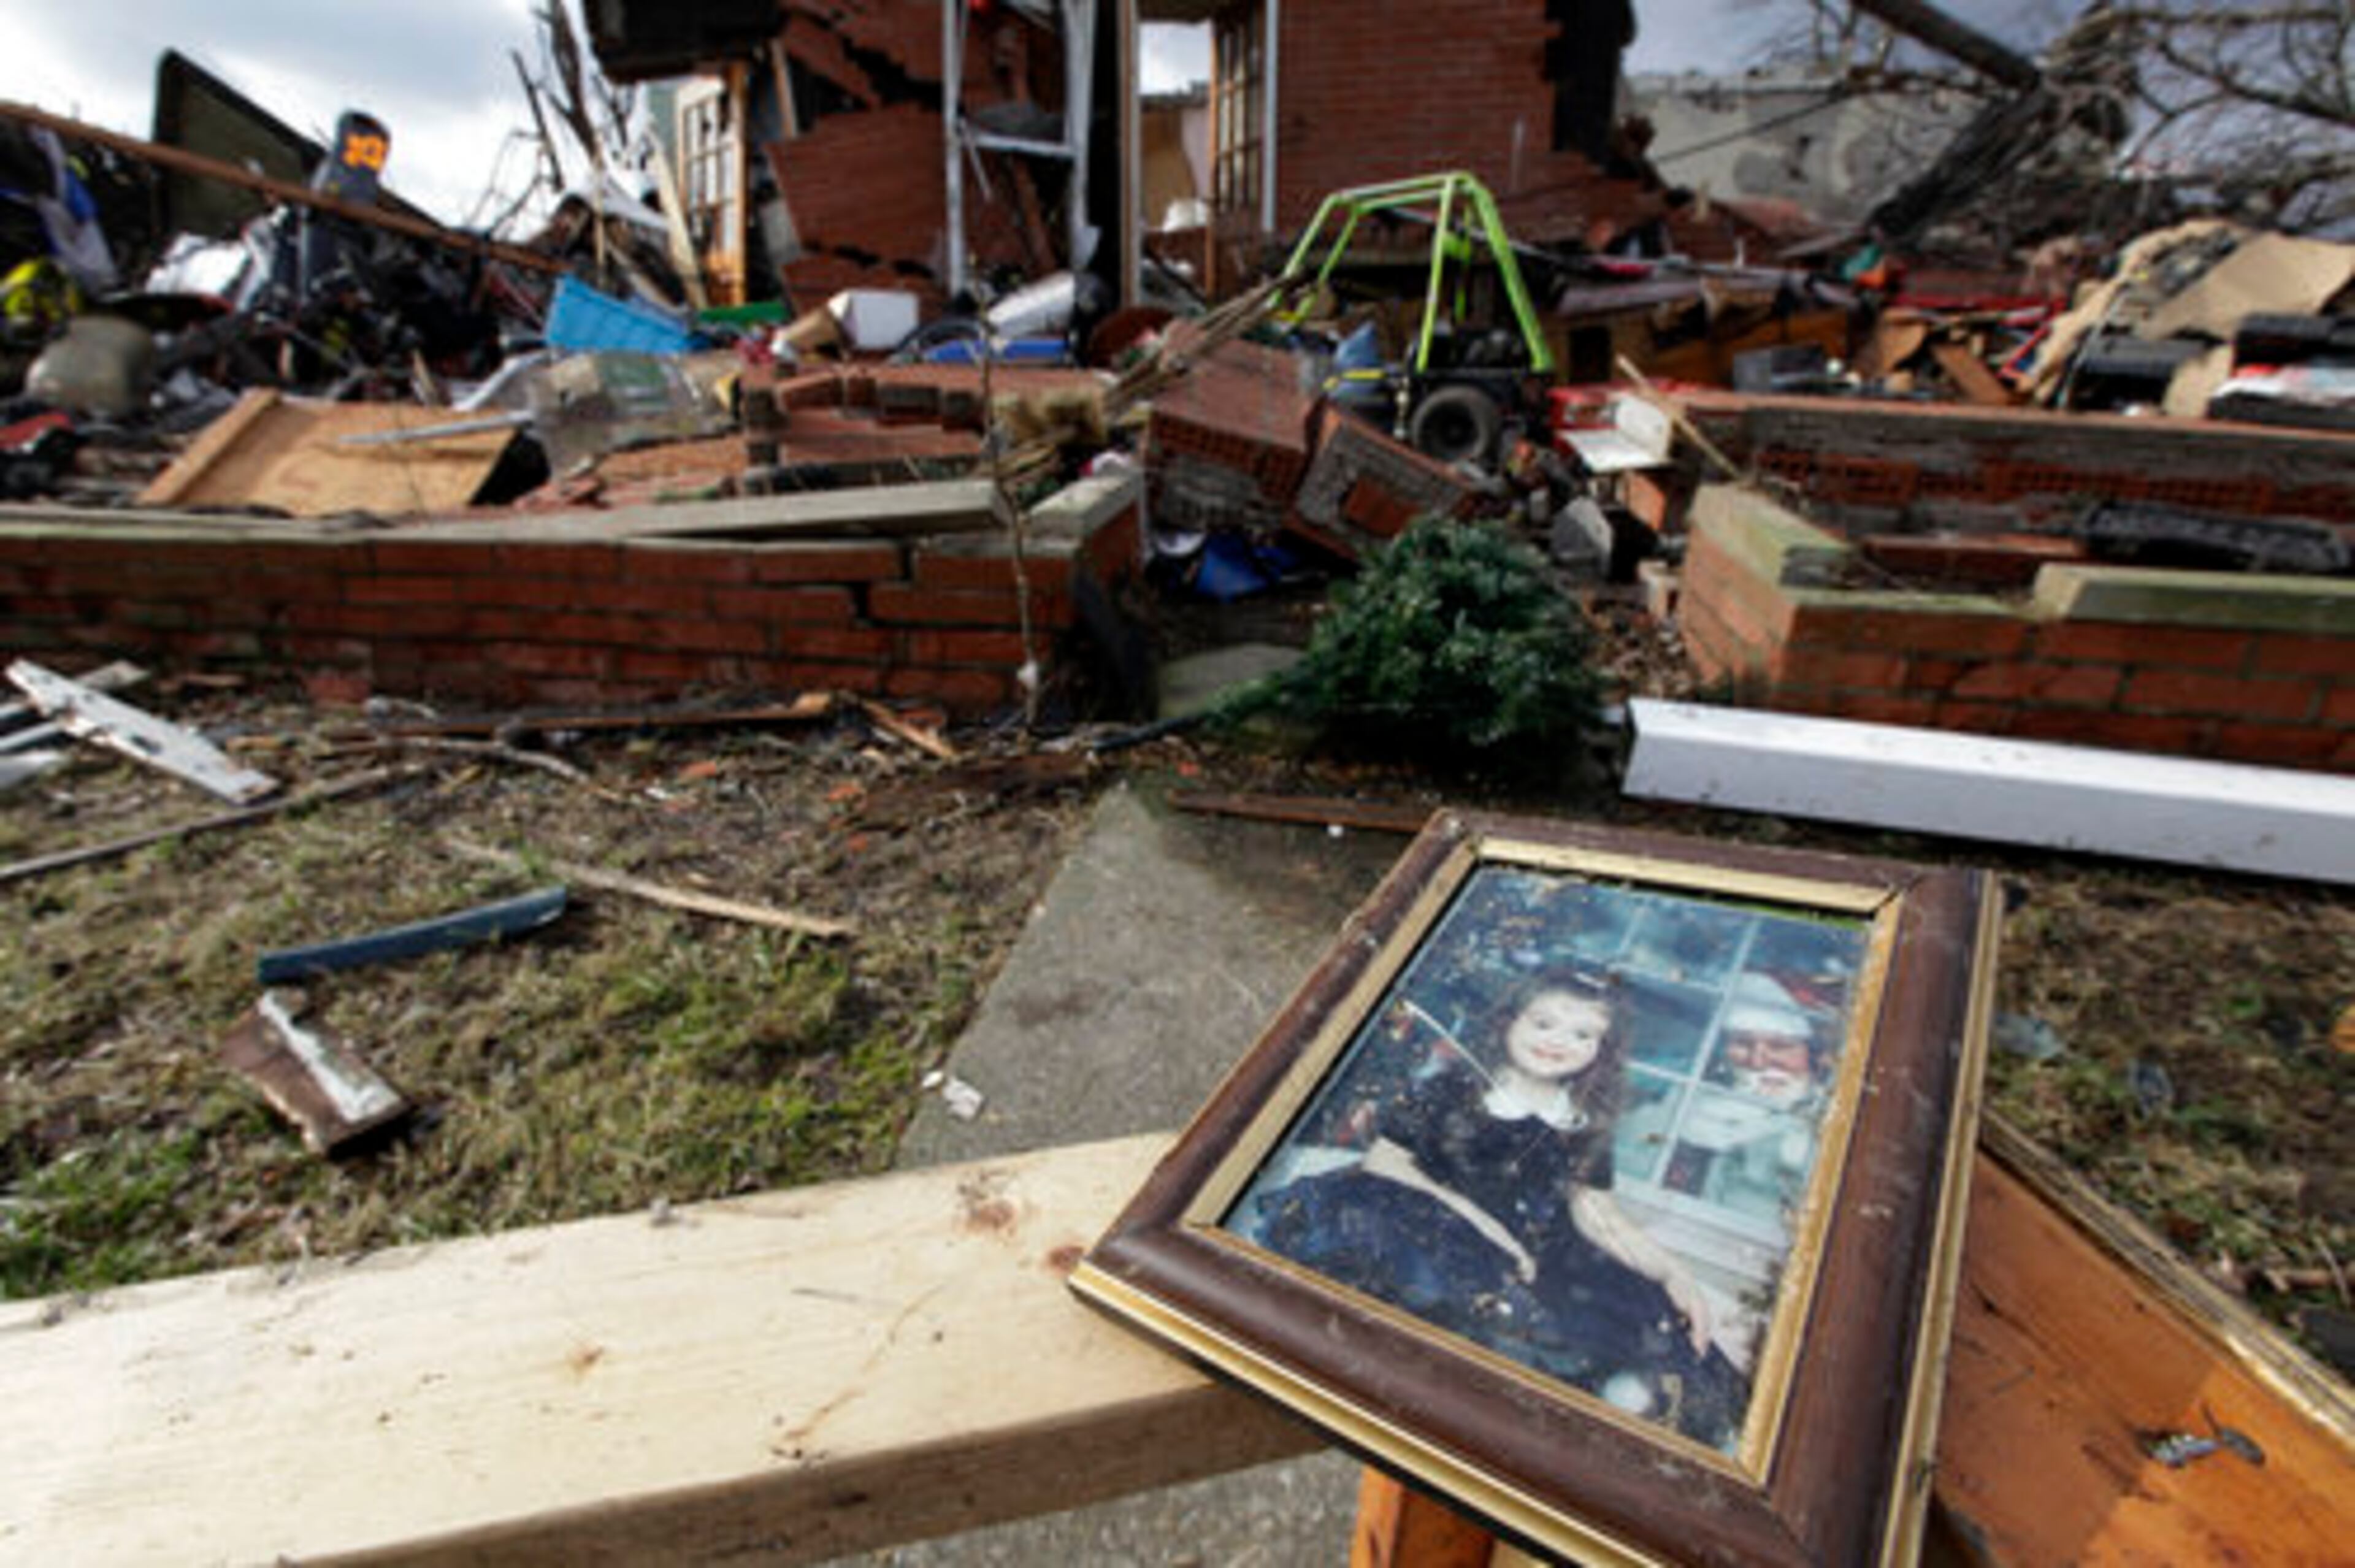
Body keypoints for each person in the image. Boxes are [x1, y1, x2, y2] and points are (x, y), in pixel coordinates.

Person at [1253, 966, 1748, 1448]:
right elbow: (1384, 1161)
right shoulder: (1455, 1087)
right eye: (1543, 1022)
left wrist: (1671, 1271)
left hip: (1542, 1257)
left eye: (1583, 1034)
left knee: (1633, 1347)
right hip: (1436, 1226)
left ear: (1601, 1051)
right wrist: (1483, 1224)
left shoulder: (1583, 1122)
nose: (1557, 1041)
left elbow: (1596, 1212)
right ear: (1510, 1019)